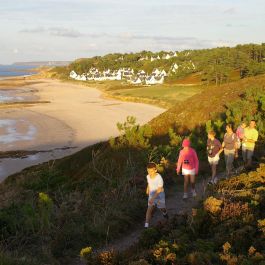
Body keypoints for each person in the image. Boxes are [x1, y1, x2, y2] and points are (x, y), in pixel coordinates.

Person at [145, 162, 168, 228]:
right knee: (149, 209)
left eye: (151, 171)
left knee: (162, 208)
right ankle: (146, 225)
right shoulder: (148, 176)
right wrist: (147, 189)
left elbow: (159, 190)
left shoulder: (159, 178)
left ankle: (165, 212)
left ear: (155, 170)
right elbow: (149, 183)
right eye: (148, 171)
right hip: (152, 195)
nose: (150, 173)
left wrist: (153, 198)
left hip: (159, 196)